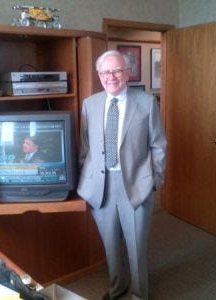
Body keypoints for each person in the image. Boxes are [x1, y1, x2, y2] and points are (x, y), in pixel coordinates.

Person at [77, 50, 166, 300]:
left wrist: (155, 180)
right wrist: (87, 179)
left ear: (127, 73)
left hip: (136, 184)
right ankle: (118, 288)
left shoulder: (146, 103)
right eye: (105, 72)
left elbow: (158, 144)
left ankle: (139, 293)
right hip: (101, 186)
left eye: (117, 70)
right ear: (99, 75)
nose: (111, 77)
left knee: (136, 245)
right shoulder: (90, 104)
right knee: (111, 245)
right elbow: (85, 146)